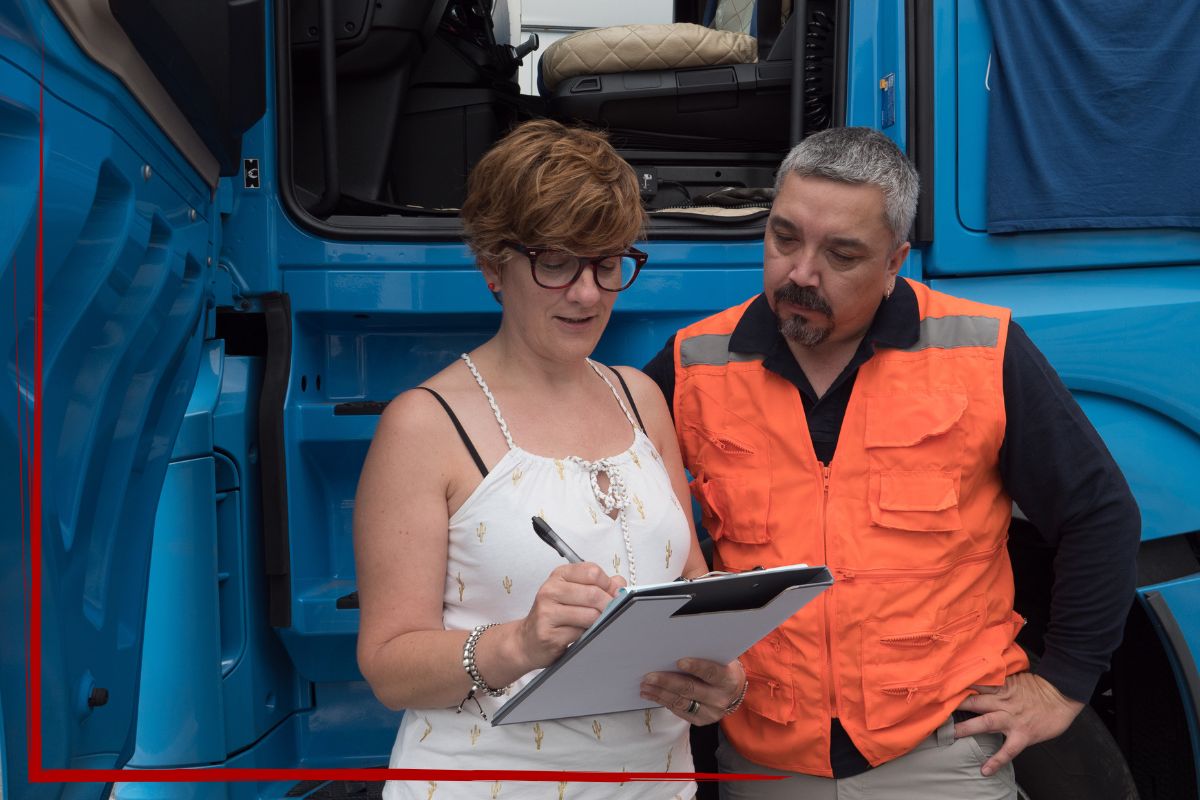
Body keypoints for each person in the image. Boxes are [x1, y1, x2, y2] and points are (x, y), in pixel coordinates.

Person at [639, 126, 1141, 798]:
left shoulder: (979, 353)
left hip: (941, 756)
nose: (801, 273)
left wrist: (1065, 683)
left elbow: (1100, 513)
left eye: (841, 254)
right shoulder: (695, 363)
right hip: (761, 757)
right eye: (784, 238)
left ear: (894, 261)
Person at [353, 119, 745, 800]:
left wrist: (715, 684)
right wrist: (520, 644)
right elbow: (389, 667)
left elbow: (689, 582)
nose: (588, 293)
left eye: (607, 262)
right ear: (491, 264)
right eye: (556, 262)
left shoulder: (641, 397)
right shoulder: (423, 424)